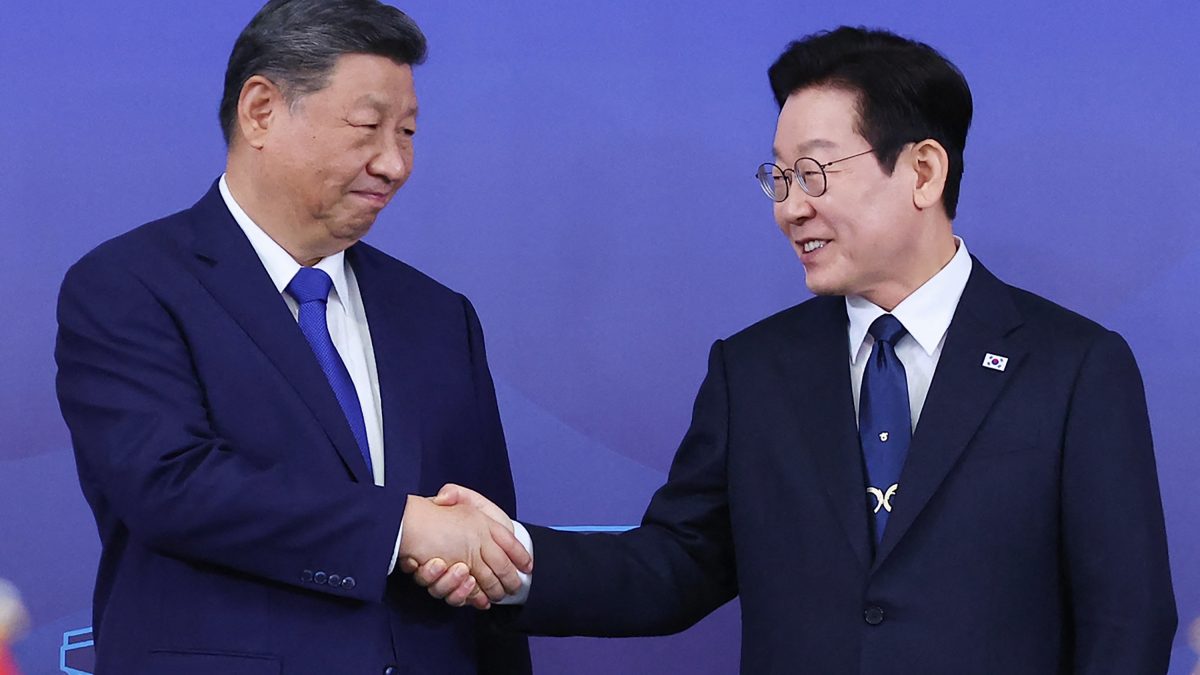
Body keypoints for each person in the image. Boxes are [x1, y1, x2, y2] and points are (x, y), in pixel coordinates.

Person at [411, 26, 1178, 673]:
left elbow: (1127, 620)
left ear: (922, 170)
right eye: (778, 177)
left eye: (812, 172)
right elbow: (675, 566)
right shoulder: (754, 371)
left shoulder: (1075, 367)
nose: (790, 207)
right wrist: (506, 556)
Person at [54, 1, 531, 673]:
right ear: (261, 110)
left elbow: (482, 546)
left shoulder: (437, 315)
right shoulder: (129, 284)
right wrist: (401, 525)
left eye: (409, 131)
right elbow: (171, 483)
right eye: (367, 127)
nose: (394, 163)